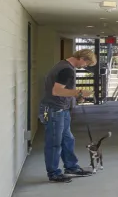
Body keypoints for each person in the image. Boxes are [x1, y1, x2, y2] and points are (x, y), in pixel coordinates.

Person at [39, 48, 97, 183]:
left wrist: (77, 96)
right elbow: (57, 91)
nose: (85, 66)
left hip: (61, 109)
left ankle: (71, 167)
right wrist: (80, 92)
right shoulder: (67, 70)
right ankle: (54, 173)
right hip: (54, 110)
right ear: (82, 59)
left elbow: (64, 91)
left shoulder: (63, 66)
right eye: (86, 64)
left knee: (67, 139)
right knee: (54, 143)